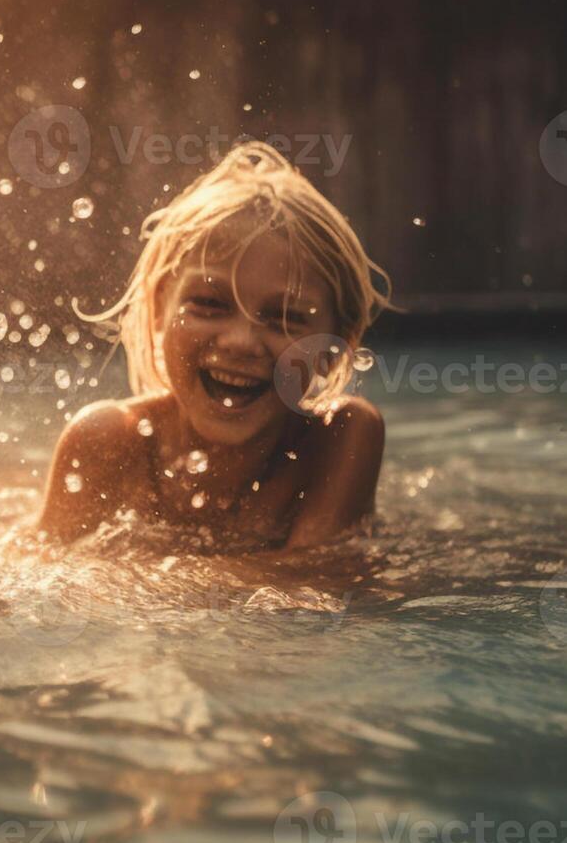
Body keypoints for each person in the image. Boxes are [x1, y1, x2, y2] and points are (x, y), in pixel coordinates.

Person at [39, 142, 392, 550]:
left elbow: (314, 588)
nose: (241, 342)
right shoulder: (106, 441)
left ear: (337, 348)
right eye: (209, 304)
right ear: (157, 308)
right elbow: (51, 582)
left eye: (284, 319)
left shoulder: (340, 438)